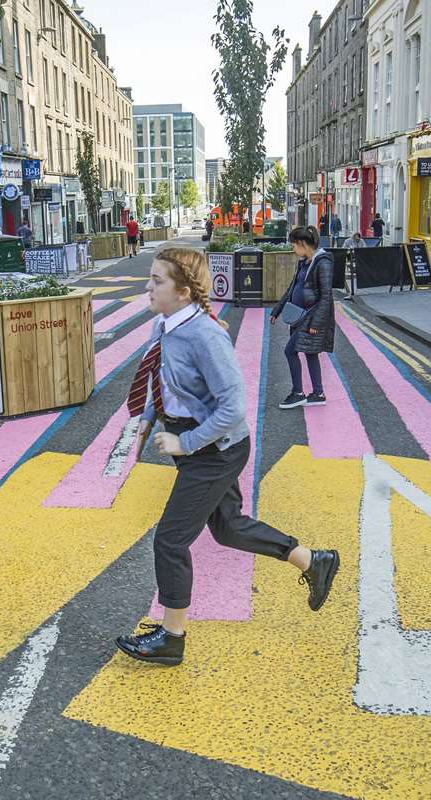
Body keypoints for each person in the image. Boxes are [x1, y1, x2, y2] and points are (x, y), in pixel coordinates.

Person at [115, 246, 340, 666]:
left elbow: (233, 407)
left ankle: (172, 638)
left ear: (183, 291)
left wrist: (185, 443)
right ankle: (314, 561)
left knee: (170, 539)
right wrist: (147, 420)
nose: (148, 286)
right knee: (229, 528)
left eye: (157, 280)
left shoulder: (204, 335)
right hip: (198, 444)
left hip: (214, 450)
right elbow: (160, 377)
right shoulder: (165, 325)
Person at [270, 226, 335, 409]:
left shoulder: (323, 262)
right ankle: (318, 393)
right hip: (298, 316)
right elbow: (293, 287)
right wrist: (277, 309)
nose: (293, 249)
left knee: (290, 351)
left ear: (302, 244)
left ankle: (298, 393)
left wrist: (316, 322)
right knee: (310, 352)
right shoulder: (304, 261)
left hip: (311, 316)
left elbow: (326, 296)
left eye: (293, 245)